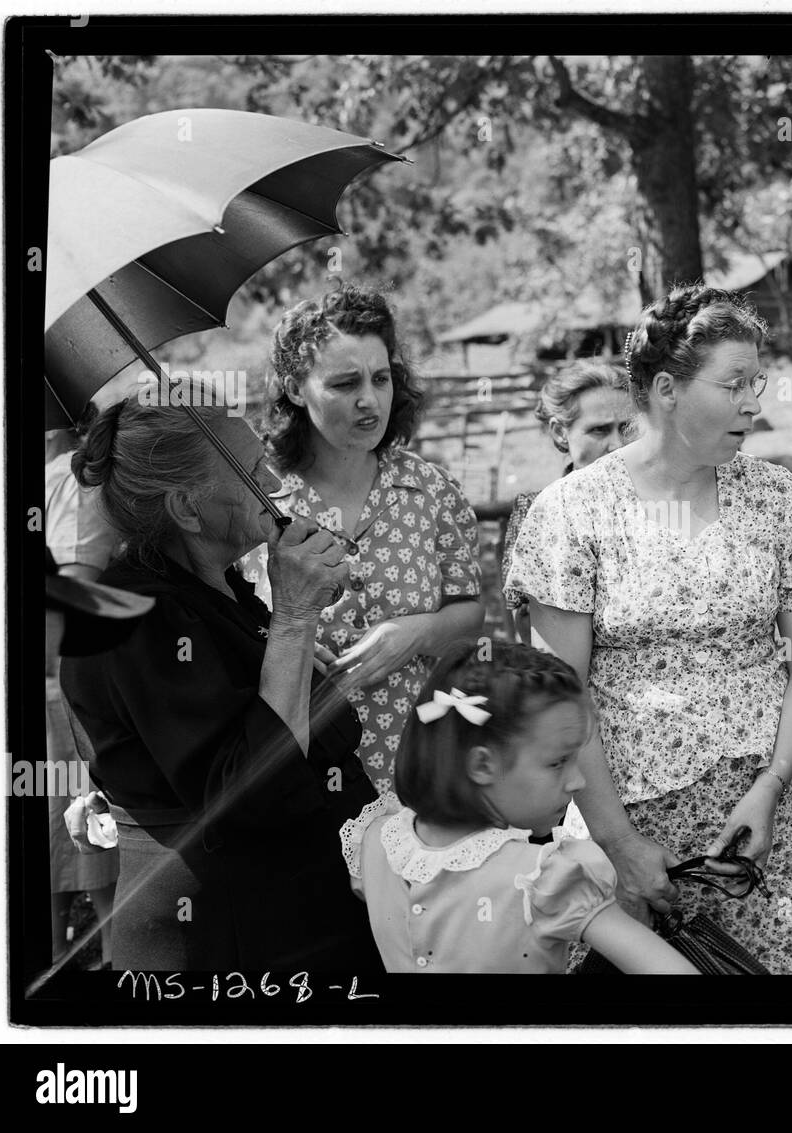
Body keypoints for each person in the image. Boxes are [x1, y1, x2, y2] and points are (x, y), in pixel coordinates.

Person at [507, 284, 792, 974]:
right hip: (630, 830)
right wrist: (621, 844)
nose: (756, 402)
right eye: (734, 385)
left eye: (758, 382)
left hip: (767, 827)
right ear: (666, 388)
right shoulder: (571, 512)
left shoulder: (777, 495)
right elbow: (560, 694)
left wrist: (773, 785)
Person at [61, 394, 382, 971]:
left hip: (300, 918)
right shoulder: (140, 619)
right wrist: (294, 620)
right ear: (187, 508)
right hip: (230, 944)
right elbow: (250, 796)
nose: (273, 479)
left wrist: (290, 645)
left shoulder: (216, 590)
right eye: (249, 470)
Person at [249, 284, 486, 796]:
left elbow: (470, 616)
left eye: (381, 379)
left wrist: (418, 632)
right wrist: (280, 645)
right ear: (294, 388)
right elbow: (230, 623)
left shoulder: (430, 488)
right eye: (344, 383)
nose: (369, 401)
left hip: (427, 766)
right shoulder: (260, 502)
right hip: (309, 774)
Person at [340, 641, 697, 973]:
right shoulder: (546, 878)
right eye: (558, 763)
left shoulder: (375, 839)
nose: (578, 781)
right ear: (482, 765)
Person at [44, 427, 123, 969]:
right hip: (63, 684)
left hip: (51, 684)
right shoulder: (74, 477)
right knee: (90, 843)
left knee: (61, 832)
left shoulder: (56, 479)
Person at [501, 361, 634, 644]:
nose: (617, 445)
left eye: (626, 428)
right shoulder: (536, 512)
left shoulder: (661, 506)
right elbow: (525, 626)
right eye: (599, 430)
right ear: (561, 432)